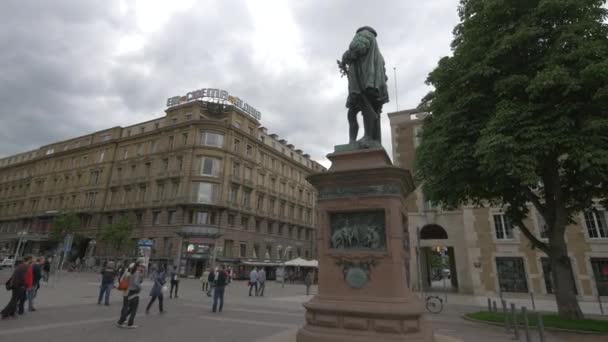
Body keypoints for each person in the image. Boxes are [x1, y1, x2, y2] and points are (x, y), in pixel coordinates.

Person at [338, 26, 388, 145]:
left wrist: (345, 57)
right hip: (371, 84)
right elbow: (384, 75)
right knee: (353, 111)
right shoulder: (378, 55)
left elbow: (357, 48)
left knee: (364, 108)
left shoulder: (363, 34)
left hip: (364, 83)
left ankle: (368, 137)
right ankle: (354, 141)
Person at [116, 262, 143, 328]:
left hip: (126, 291)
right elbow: (136, 282)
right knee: (132, 308)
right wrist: (140, 287)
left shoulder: (129, 272)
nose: (141, 267)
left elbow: (121, 279)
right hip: (132, 292)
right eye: (141, 266)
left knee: (128, 307)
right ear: (137, 266)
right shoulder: (136, 273)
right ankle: (128, 323)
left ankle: (121, 321)